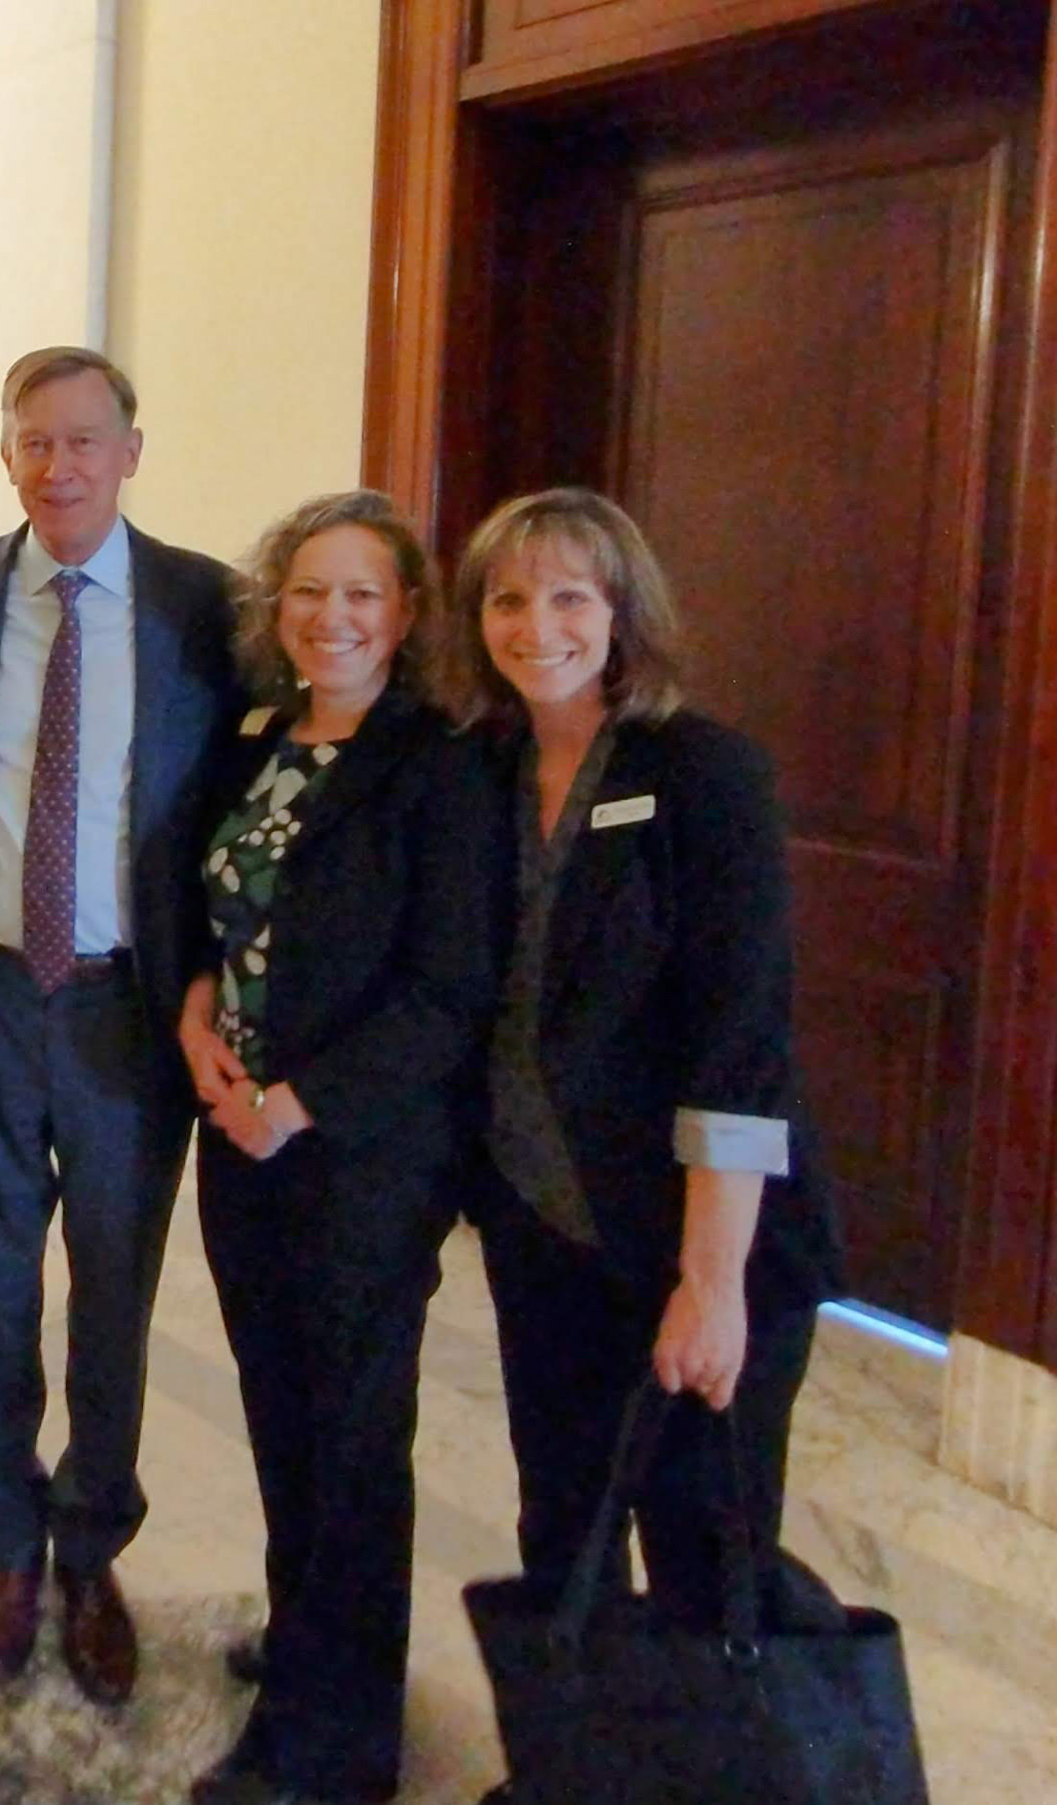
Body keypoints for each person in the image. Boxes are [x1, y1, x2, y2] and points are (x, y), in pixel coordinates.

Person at [434, 488, 843, 1805]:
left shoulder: (702, 772)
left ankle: (728, 1778)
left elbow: (743, 1041)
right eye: (508, 597)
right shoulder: (483, 770)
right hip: (545, 1229)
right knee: (565, 1519)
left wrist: (710, 1280)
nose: (537, 624)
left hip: (701, 1239)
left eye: (569, 596)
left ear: (621, 616)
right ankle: (576, 1772)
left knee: (708, 1541)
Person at [0, 346, 243, 1703]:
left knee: (114, 1290)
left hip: (126, 1001)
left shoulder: (203, 606)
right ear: (5, 456)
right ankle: (6, 1548)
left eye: (84, 441)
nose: (59, 466)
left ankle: (92, 1543)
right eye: (33, 443)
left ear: (130, 450)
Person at [178, 493, 503, 1805]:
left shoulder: (441, 764)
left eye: (362, 593)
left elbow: (447, 990)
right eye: (309, 590)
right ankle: (310, 1629)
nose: (333, 616)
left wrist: (300, 1101)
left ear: (408, 613)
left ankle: (333, 1745)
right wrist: (201, 1013)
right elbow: (223, 918)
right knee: (279, 1401)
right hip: (239, 1133)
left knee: (356, 1433)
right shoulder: (257, 737)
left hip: (361, 1153)